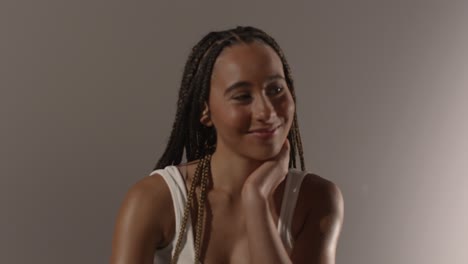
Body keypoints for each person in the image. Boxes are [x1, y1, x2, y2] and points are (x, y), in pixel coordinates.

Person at [110, 26, 344, 264]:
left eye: (275, 89)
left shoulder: (315, 199)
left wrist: (256, 199)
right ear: (205, 110)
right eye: (242, 96)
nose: (267, 111)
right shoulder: (153, 200)